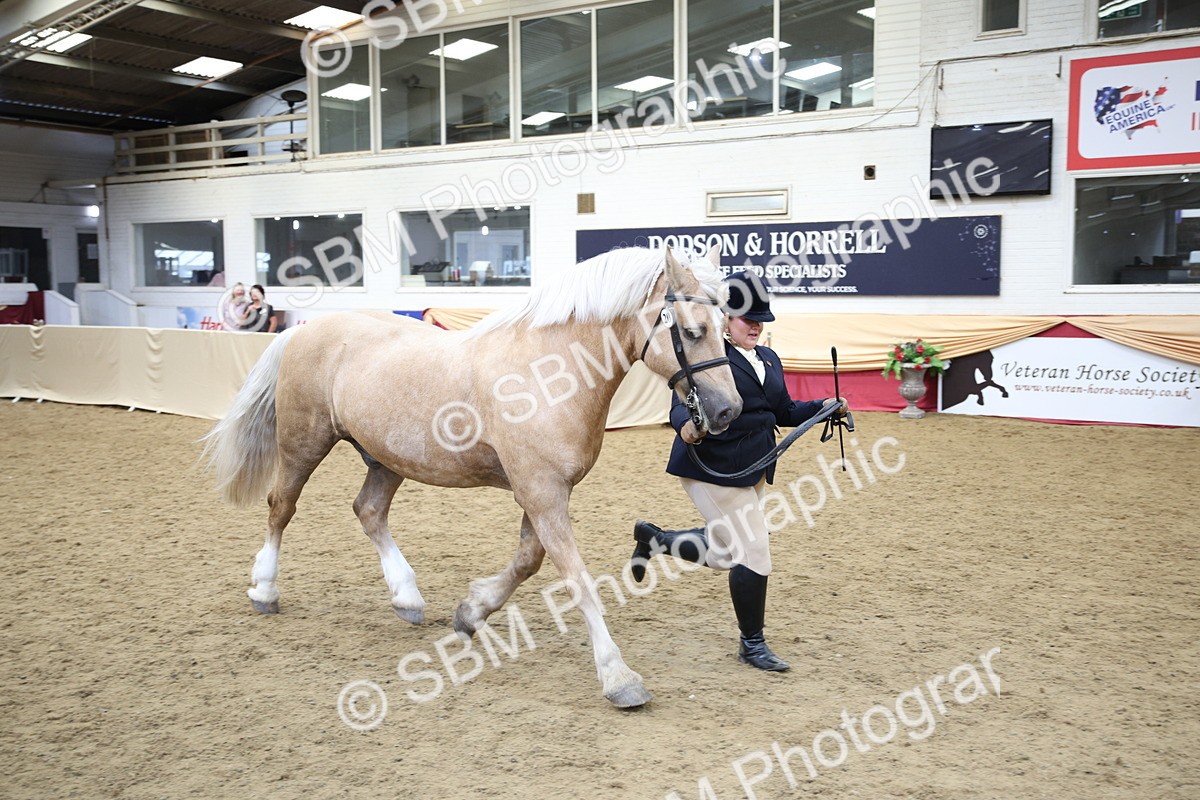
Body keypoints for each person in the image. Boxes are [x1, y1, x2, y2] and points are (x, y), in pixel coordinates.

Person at [630, 270, 849, 672]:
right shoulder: (713, 357)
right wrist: (686, 424)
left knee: (727, 553)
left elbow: (780, 411)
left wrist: (824, 407)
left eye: (761, 319)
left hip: (752, 466)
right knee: (754, 549)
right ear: (725, 318)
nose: (756, 326)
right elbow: (681, 403)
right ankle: (752, 644)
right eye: (748, 318)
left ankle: (658, 541)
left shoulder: (768, 358)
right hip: (711, 467)